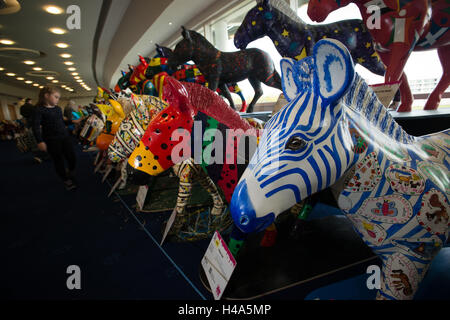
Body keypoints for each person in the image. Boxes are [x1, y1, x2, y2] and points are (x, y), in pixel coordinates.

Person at [32, 87, 78, 190]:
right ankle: (66, 180)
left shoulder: (58, 109)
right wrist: (40, 141)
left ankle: (70, 171)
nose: (57, 99)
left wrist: (72, 121)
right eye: (56, 97)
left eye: (58, 98)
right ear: (46, 96)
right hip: (51, 139)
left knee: (72, 157)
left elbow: (61, 122)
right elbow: (35, 126)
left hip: (64, 137)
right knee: (58, 160)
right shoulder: (39, 110)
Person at [20, 98, 47, 163]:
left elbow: (22, 114)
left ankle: (38, 156)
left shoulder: (22, 107)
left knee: (33, 139)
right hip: (36, 125)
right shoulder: (34, 108)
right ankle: (41, 155)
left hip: (28, 123)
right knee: (39, 139)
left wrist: (26, 126)